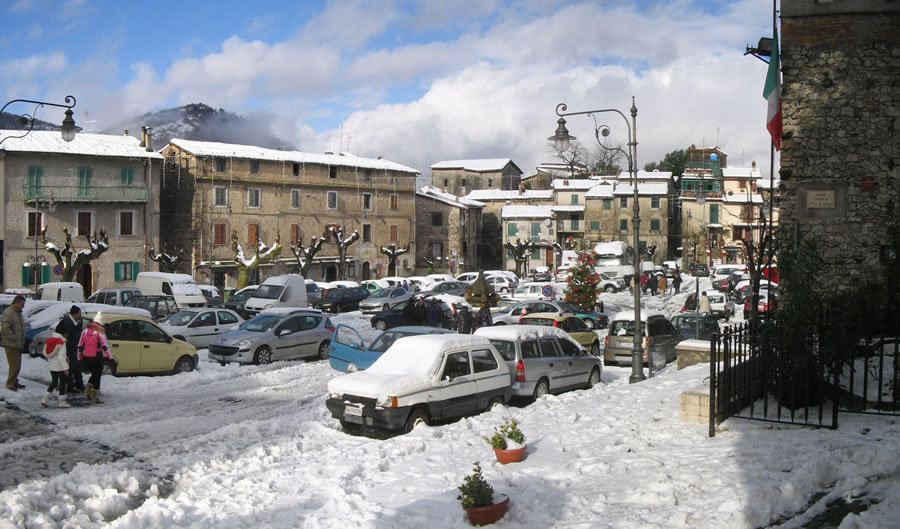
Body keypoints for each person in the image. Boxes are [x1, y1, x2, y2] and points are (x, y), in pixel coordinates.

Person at [78, 320, 113, 404]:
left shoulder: (84, 332)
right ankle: (94, 397)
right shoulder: (99, 333)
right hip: (97, 357)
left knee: (94, 374)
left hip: (86, 357)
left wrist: (79, 358)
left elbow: (80, 345)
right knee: (97, 375)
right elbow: (105, 347)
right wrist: (111, 358)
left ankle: (87, 393)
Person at [57, 305, 85, 393]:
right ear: (74, 314)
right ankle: (70, 385)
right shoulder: (67, 322)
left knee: (77, 367)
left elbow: (79, 333)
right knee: (70, 367)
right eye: (79, 314)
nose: (81, 315)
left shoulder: (79, 321)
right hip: (68, 348)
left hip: (76, 347)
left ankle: (79, 384)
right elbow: (65, 336)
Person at [40, 331, 71, 408]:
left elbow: (45, 353)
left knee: (54, 382)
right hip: (60, 367)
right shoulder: (61, 342)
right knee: (62, 383)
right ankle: (62, 401)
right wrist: (65, 368)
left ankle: (45, 399)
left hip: (52, 366)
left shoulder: (49, 340)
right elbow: (61, 357)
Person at [2, 295, 26, 391]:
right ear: (16, 303)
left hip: (17, 343)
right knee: (14, 364)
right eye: (22, 304)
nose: (23, 306)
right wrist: (14, 338)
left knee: (17, 364)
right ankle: (10, 383)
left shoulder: (18, 313)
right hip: (11, 344)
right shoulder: (9, 313)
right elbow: (5, 329)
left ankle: (14, 380)